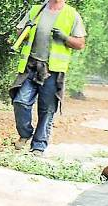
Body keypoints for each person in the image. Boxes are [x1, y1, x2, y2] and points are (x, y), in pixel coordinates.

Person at [12, 0, 86, 156]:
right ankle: (25, 134)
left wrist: (65, 37)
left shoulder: (71, 14)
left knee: (47, 110)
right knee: (20, 102)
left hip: (53, 71)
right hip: (31, 67)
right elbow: (19, 33)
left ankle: (38, 146)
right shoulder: (36, 11)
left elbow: (80, 43)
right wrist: (26, 29)